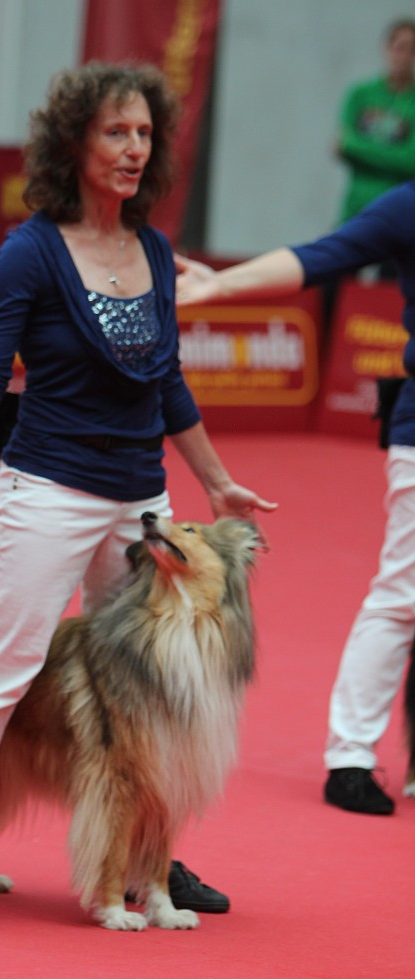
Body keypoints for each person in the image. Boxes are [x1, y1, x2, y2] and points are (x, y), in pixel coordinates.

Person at [0, 62, 277, 931]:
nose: (132, 148)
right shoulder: (31, 250)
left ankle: (144, 860)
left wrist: (218, 480)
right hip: (46, 492)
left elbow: (170, 387)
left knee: (146, 693)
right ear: (74, 142)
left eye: (145, 134)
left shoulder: (152, 249)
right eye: (115, 131)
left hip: (138, 502)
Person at [175, 178, 415, 816]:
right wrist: (221, 284)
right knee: (403, 598)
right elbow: (321, 256)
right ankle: (351, 758)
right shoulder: (408, 205)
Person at [336, 19, 415, 226]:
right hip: (356, 209)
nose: (404, 56)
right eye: (399, 47)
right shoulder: (361, 94)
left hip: (399, 214)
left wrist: (360, 149)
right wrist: (394, 157)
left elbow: (411, 161)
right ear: (387, 48)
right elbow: (342, 145)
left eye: (412, 50)